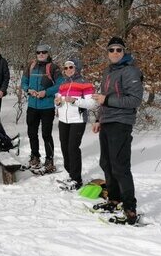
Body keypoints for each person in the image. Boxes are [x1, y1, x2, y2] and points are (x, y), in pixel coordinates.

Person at [91, 37, 144, 225]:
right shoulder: (109, 71)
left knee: (120, 167)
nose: (115, 53)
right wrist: (98, 118)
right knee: (106, 163)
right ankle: (114, 199)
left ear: (124, 52)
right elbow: (101, 98)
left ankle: (130, 208)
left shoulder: (130, 71)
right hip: (107, 121)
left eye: (118, 50)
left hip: (121, 122)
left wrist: (107, 101)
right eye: (111, 50)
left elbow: (135, 100)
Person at [54, 58, 97, 190]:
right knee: (64, 148)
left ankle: (76, 180)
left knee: (73, 148)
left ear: (76, 68)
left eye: (71, 67)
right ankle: (71, 173)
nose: (68, 70)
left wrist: (75, 101)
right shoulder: (62, 85)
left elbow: (91, 103)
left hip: (77, 120)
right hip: (63, 120)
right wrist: (57, 103)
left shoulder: (85, 84)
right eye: (66, 68)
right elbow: (58, 101)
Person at [21, 44, 62, 171]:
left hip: (47, 107)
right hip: (32, 105)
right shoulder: (31, 66)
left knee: (46, 134)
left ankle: (49, 160)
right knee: (32, 133)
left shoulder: (54, 68)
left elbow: (60, 84)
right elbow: (24, 81)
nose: (41, 54)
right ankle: (35, 156)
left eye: (44, 52)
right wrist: (28, 90)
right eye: (39, 52)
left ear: (48, 53)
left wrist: (46, 92)